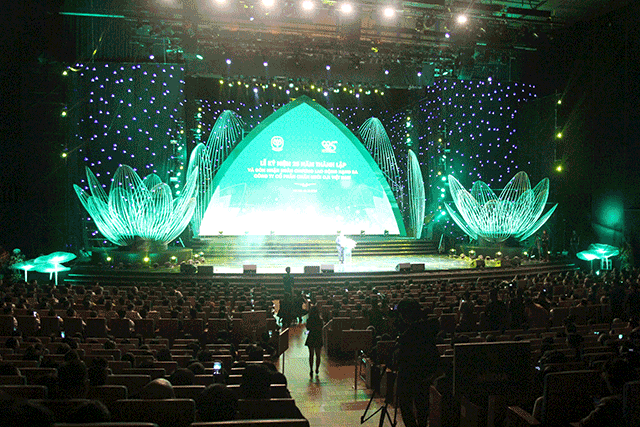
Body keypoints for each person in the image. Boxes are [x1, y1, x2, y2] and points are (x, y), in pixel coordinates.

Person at [394, 299, 440, 427]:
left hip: (408, 375)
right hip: (425, 374)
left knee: (405, 405)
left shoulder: (408, 334)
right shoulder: (428, 328)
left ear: (405, 315)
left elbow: (401, 357)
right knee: (422, 404)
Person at [305, 305, 324, 377]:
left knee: (311, 355)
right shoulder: (320, 320)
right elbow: (321, 327)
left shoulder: (309, 319)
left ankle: (311, 369)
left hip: (311, 337)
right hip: (318, 337)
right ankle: (317, 369)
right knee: (318, 355)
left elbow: (308, 328)